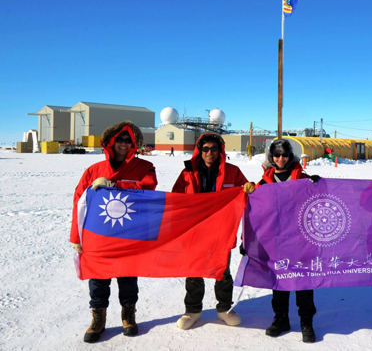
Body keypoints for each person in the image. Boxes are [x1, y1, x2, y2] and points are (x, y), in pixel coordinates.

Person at [70, 121, 158, 343]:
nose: (123, 144)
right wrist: (76, 237)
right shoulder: (93, 170)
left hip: (130, 233)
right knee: (99, 276)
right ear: (111, 141)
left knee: (127, 275)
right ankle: (98, 318)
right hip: (97, 234)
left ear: (134, 144)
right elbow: (78, 203)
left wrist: (115, 184)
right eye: (120, 139)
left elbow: (148, 187)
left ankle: (128, 315)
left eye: (128, 140)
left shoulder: (144, 168)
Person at [245, 139, 320, 343]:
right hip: (275, 241)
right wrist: (248, 239)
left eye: (284, 155)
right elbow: (253, 214)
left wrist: (319, 186)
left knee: (303, 280)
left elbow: (321, 203)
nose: (280, 159)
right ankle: (281, 319)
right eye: (276, 155)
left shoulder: (303, 178)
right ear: (271, 157)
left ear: (290, 157)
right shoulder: (263, 183)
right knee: (279, 282)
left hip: (301, 240)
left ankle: (306, 322)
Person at [172, 133, 248, 330]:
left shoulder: (232, 171)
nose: (209, 152)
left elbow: (246, 196)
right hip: (195, 229)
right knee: (194, 270)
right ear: (199, 150)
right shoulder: (188, 172)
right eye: (205, 149)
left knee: (222, 269)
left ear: (220, 150)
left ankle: (224, 309)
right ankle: (193, 310)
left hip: (221, 228)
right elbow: (176, 198)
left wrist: (249, 189)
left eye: (214, 149)